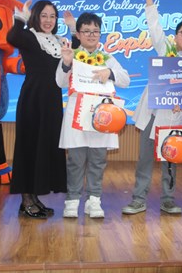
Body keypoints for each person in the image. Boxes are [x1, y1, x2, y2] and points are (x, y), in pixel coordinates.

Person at [122, 0, 182, 215]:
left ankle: (168, 199)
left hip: (173, 117)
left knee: (171, 160)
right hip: (152, 114)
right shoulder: (165, 50)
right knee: (145, 159)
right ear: (176, 36)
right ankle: (138, 199)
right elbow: (154, 27)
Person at [57, 12, 130, 219]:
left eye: (95, 31)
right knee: (76, 161)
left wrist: (110, 73)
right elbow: (59, 82)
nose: (91, 35)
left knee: (98, 160)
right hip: (78, 114)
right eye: (86, 31)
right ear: (78, 34)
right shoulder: (71, 54)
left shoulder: (107, 58)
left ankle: (94, 200)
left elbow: (125, 80)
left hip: (102, 116)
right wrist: (66, 63)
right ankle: (72, 201)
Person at [6, 0, 70, 219]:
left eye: (52, 16)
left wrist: (73, 29)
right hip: (33, 100)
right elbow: (12, 37)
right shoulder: (30, 36)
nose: (48, 20)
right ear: (36, 17)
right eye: (44, 15)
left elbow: (74, 56)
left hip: (52, 102)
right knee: (29, 147)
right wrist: (20, 18)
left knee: (45, 147)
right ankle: (26, 200)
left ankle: (33, 197)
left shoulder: (58, 41)